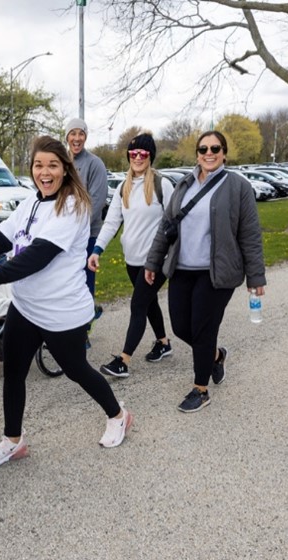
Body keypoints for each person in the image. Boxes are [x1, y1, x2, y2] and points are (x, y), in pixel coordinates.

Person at [0, 135, 133, 467]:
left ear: (65, 169)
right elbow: (1, 237)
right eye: (39, 165)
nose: (45, 172)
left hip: (62, 311)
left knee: (76, 370)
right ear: (32, 169)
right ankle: (13, 440)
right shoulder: (31, 202)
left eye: (53, 165)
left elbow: (39, 255)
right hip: (26, 306)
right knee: (13, 371)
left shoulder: (73, 206)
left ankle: (118, 414)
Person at [144, 130, 266, 413]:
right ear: (196, 153)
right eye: (203, 149)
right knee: (181, 327)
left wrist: (255, 277)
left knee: (202, 327)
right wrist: (152, 262)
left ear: (224, 152)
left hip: (216, 273)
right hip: (182, 269)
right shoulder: (184, 184)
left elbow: (250, 234)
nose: (208, 153)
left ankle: (201, 389)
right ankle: (215, 354)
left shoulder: (237, 186)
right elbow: (166, 227)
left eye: (215, 148)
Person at [88, 132, 175, 378]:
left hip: (155, 261)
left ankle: (124, 361)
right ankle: (163, 343)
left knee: (138, 306)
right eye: (133, 153)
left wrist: (164, 255)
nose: (137, 157)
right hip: (131, 260)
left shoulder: (162, 184)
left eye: (143, 153)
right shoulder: (123, 187)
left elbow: (174, 223)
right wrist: (97, 249)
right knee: (149, 303)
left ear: (150, 157)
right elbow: (111, 222)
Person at [66, 118, 107, 300]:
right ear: (67, 136)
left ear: (85, 137)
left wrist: (75, 228)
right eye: (73, 133)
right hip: (64, 234)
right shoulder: (61, 162)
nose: (77, 138)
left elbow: (97, 202)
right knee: (66, 281)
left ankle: (85, 323)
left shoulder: (95, 163)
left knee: (84, 282)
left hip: (87, 235)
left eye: (81, 133)